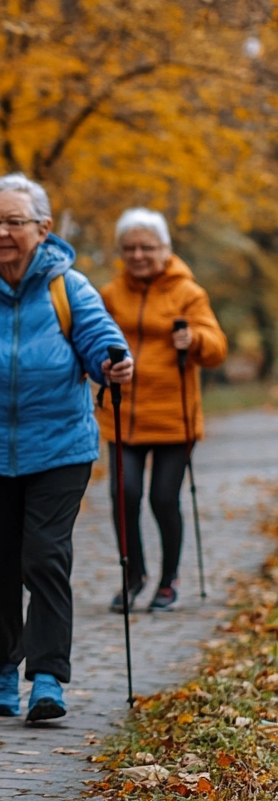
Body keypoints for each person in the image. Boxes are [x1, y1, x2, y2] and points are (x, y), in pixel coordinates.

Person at [0, 173, 131, 724]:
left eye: (13, 222)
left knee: (44, 556)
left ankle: (48, 677)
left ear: (43, 228)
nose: (0, 233)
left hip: (59, 447)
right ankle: (3, 668)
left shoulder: (69, 286)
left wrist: (113, 361)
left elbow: (99, 338)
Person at [97, 208, 227, 613]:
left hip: (174, 417)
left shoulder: (188, 293)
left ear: (164, 249)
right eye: (129, 248)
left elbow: (217, 349)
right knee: (124, 494)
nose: (138, 255)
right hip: (124, 415)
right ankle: (133, 575)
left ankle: (169, 581)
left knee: (163, 498)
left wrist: (195, 339)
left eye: (146, 247)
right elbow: (90, 337)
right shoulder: (110, 294)